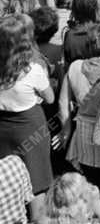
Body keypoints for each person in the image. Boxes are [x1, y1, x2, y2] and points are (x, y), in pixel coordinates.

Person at [0, 15, 54, 197]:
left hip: (3, 127)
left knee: (6, 178)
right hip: (30, 126)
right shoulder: (32, 70)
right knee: (36, 178)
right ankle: (38, 222)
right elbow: (50, 98)